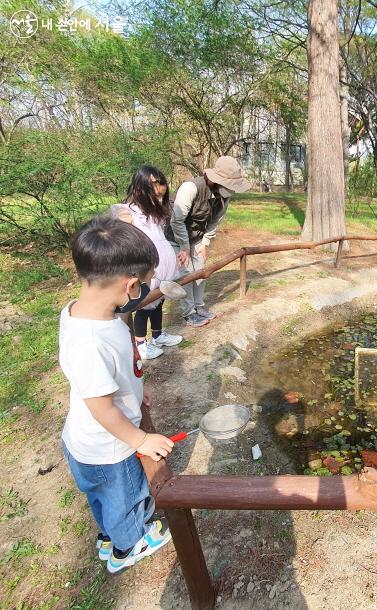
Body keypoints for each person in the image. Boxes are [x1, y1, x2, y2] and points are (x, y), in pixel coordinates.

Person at [60, 216, 175, 573]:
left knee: (105, 499)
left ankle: (110, 534)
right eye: (143, 285)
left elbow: (109, 380)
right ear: (130, 286)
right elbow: (102, 409)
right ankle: (128, 545)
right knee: (125, 497)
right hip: (109, 448)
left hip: (84, 443)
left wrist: (135, 393)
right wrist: (140, 439)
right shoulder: (90, 342)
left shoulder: (79, 313)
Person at [166, 156, 251, 327]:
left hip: (197, 237)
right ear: (216, 180)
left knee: (201, 271)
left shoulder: (224, 196)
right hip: (175, 237)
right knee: (187, 274)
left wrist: (204, 243)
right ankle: (188, 313)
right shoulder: (191, 188)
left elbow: (214, 221)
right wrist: (183, 246)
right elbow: (177, 220)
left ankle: (199, 306)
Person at [113, 166, 183, 360]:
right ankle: (141, 344)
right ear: (140, 187)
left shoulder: (155, 213)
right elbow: (117, 231)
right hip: (144, 271)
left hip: (161, 271)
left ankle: (158, 335)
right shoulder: (128, 212)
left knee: (158, 302)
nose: (159, 193)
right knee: (143, 305)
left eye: (161, 186)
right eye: (153, 186)